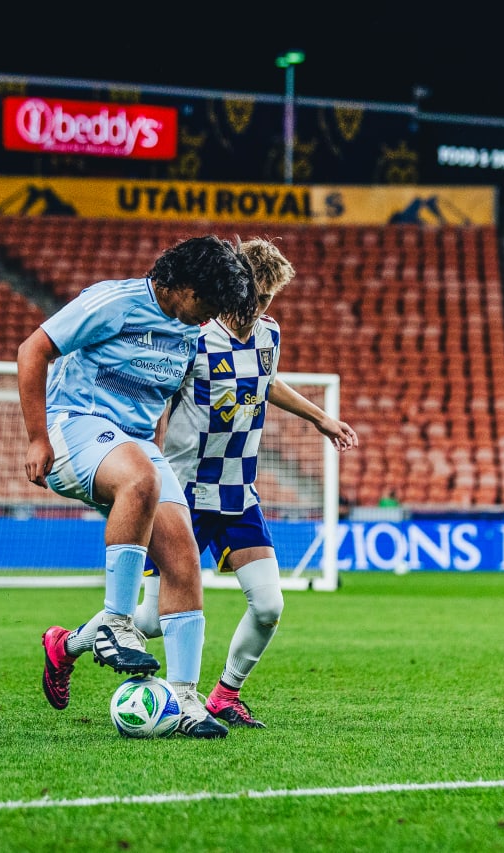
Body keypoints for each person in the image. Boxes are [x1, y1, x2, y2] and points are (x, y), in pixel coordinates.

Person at [18, 235, 257, 739]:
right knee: (141, 477)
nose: (207, 318)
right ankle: (114, 620)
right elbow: (32, 349)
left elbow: (161, 399)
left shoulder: (189, 328)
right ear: (183, 286)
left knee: (183, 557)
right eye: (207, 305)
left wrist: (156, 450)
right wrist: (38, 438)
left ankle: (184, 698)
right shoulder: (114, 302)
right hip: (73, 427)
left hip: (133, 448)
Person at [132, 238, 358, 729]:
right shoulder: (194, 336)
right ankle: (69, 643)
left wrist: (321, 418)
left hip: (239, 496)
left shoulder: (268, 336)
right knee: (147, 622)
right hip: (186, 495)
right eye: (255, 296)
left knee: (269, 606)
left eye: (269, 299)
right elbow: (160, 406)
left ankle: (222, 696)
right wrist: (149, 470)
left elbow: (267, 381)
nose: (260, 308)